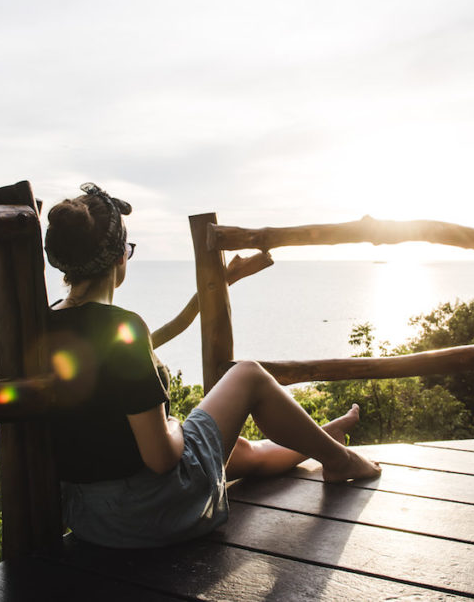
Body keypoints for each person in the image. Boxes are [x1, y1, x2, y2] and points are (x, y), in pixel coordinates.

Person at [43, 182, 381, 549]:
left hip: (89, 517)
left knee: (239, 454)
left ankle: (322, 439)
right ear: (119, 257)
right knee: (248, 374)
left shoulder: (42, 325)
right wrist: (172, 425)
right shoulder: (121, 327)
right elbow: (160, 458)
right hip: (147, 514)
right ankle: (340, 461)